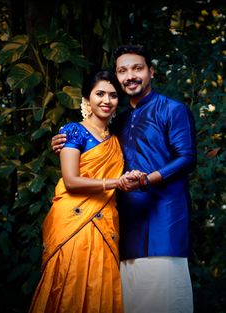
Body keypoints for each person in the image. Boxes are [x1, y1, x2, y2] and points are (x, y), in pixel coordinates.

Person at [51, 45, 197, 313]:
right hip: (121, 229)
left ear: (151, 72)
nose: (130, 75)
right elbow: (89, 145)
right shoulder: (117, 123)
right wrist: (64, 140)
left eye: (137, 68)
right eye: (123, 70)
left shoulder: (172, 109)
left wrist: (148, 179)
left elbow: (187, 158)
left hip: (164, 224)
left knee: (164, 303)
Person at [29, 70, 140, 313]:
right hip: (73, 220)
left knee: (100, 286)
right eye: (99, 94)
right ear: (87, 99)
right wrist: (116, 183)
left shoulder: (116, 139)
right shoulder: (74, 131)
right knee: (70, 284)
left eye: (112, 95)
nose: (106, 100)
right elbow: (71, 181)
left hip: (106, 221)